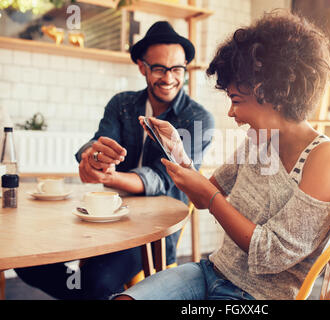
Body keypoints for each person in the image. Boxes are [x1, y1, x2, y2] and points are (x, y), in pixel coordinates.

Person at [114, 11, 330, 300]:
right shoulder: (259, 140)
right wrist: (179, 154)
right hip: (211, 272)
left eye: (236, 100)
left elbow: (270, 254)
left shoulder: (327, 158)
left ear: (268, 92)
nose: (231, 112)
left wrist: (213, 199)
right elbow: (202, 198)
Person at [14, 21, 215, 300]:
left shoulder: (198, 119)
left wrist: (109, 177)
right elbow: (97, 143)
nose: (169, 78)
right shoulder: (122, 104)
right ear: (142, 67)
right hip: (103, 212)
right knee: (27, 261)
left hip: (154, 226)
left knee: (96, 281)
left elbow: (161, 178)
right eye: (159, 68)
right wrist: (92, 159)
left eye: (177, 69)